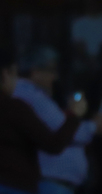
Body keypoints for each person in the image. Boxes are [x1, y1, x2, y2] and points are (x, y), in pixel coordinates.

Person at [13, 48, 102, 194]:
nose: (54, 77)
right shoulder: (33, 96)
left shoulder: (31, 96)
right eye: (51, 71)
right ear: (35, 72)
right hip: (52, 184)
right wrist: (93, 125)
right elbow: (65, 131)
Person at [0, 57, 86, 194]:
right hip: (15, 186)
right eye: (14, 75)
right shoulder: (14, 107)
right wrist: (74, 115)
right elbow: (53, 143)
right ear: (5, 74)